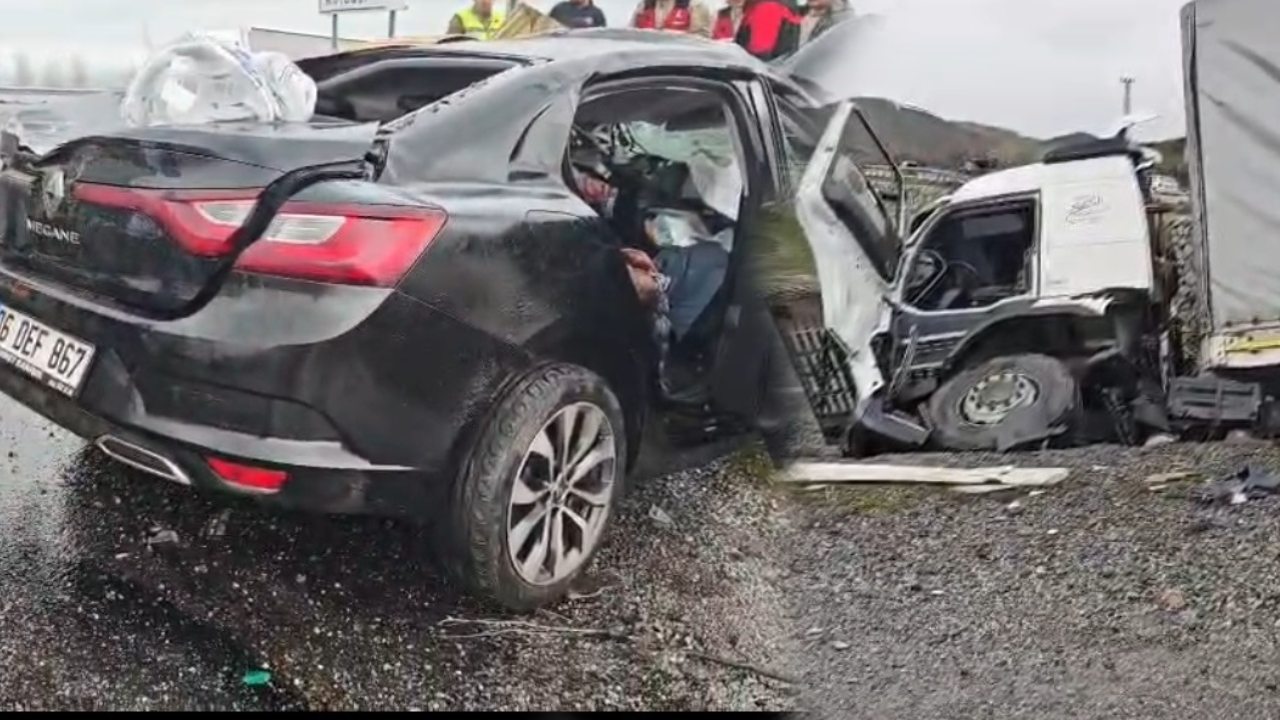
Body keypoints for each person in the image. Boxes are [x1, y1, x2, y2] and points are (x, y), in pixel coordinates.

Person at [734, 0, 802, 61]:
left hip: (763, 69)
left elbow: (758, 53)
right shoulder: (783, 5)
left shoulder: (767, 7)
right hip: (780, 69)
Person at [630, 0, 713, 37]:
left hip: (678, 60)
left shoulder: (696, 5)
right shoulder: (643, 6)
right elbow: (631, 34)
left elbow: (703, 39)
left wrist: (672, 36)